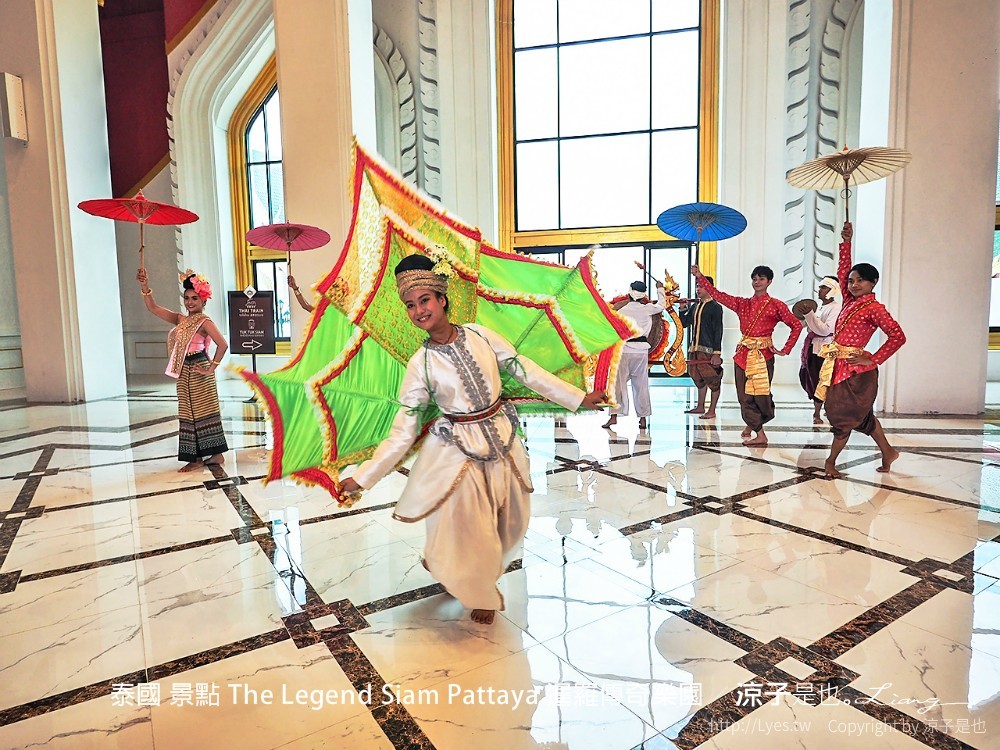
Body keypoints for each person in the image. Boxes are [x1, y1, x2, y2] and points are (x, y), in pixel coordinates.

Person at [338, 255, 606, 625]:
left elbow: (524, 370)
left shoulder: (481, 334)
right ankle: (480, 591)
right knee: (471, 527)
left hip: (503, 439)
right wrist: (364, 477)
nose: (418, 311)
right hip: (457, 450)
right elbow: (404, 429)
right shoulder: (421, 364)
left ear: (442, 299)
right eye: (410, 305)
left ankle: (460, 568)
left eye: (425, 300)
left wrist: (577, 399)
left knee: (513, 521)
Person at [815, 222, 906, 478]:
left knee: (842, 417)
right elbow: (843, 270)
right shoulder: (850, 300)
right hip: (837, 366)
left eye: (860, 281)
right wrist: (846, 242)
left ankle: (830, 463)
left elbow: (898, 336)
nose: (854, 284)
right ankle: (888, 452)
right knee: (862, 417)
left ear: (872, 282)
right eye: (852, 281)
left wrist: (873, 358)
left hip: (857, 372)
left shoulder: (874, 308)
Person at [691, 264, 802, 446]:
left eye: (761, 279)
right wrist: (700, 276)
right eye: (754, 279)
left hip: (763, 356)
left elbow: (796, 325)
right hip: (743, 356)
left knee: (760, 394)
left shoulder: (776, 305)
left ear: (769, 282)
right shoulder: (743, 303)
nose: (757, 282)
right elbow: (718, 295)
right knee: (743, 396)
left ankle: (754, 426)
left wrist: (786, 349)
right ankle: (758, 431)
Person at [136, 268, 229, 472]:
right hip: (183, 371)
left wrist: (210, 369)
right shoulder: (181, 319)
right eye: (187, 298)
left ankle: (213, 455)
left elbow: (222, 344)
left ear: (203, 300)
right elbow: (153, 308)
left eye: (195, 298)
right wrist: (144, 285)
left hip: (199, 369)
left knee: (204, 412)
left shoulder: (204, 322)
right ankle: (200, 457)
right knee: (187, 413)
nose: (190, 302)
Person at [603, 280, 665, 430]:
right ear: (644, 294)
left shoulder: (621, 311)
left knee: (618, 384)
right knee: (641, 385)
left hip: (624, 350)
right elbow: (662, 305)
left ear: (630, 292)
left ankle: (614, 417)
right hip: (641, 352)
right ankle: (643, 419)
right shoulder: (648, 309)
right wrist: (660, 289)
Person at [799, 276, 843, 424]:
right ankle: (818, 411)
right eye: (820, 287)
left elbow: (825, 331)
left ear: (832, 290)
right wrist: (805, 316)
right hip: (813, 348)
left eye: (824, 287)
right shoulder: (821, 308)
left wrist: (810, 315)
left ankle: (818, 413)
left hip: (825, 350)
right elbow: (807, 324)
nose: (820, 290)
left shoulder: (835, 308)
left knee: (823, 381)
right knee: (811, 378)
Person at [678, 276, 724, 419]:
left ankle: (712, 410)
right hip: (695, 349)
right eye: (697, 286)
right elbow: (684, 324)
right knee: (698, 378)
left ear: (710, 288)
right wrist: (682, 309)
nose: (698, 289)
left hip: (709, 350)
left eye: (702, 286)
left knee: (713, 379)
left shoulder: (715, 307)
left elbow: (718, 330)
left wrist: (717, 353)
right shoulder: (695, 306)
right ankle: (700, 406)